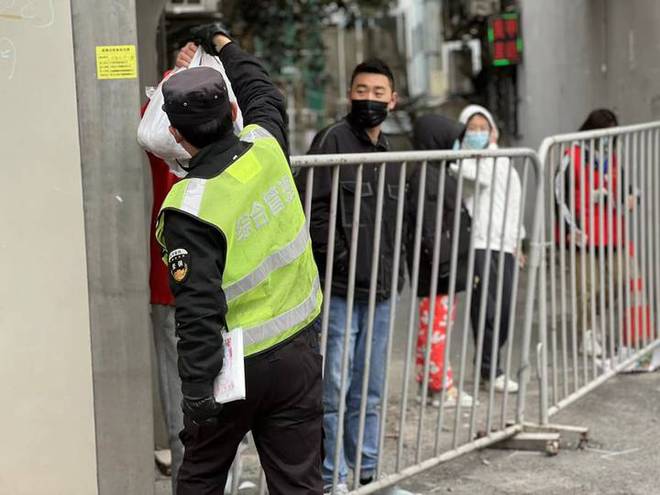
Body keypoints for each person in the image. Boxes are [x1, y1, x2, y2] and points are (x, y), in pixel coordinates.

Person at [157, 26, 323, 495]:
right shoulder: (267, 147)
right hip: (297, 352)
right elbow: (261, 91)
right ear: (232, 112)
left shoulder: (189, 205)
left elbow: (197, 311)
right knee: (299, 484)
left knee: (203, 479)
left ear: (175, 134)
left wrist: (195, 393)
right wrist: (223, 43)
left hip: (232, 370)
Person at [299, 59, 410, 495]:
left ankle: (367, 475)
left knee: (372, 388)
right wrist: (340, 261)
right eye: (362, 90)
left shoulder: (390, 149)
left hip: (381, 290)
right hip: (342, 289)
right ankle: (331, 478)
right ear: (350, 94)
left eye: (379, 92)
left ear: (393, 99)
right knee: (334, 389)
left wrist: (395, 268)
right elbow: (313, 209)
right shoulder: (331, 140)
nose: (370, 99)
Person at [450, 105, 525, 393]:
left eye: (483, 127)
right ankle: (489, 368)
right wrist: (463, 149)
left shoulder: (505, 161)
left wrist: (519, 240)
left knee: (505, 308)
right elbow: (474, 181)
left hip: (505, 244)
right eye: (472, 128)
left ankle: (490, 364)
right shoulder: (461, 162)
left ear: (493, 129)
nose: (478, 132)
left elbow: (515, 202)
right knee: (487, 309)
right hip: (480, 244)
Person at [408, 114, 475, 408]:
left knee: (433, 326)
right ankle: (440, 386)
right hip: (437, 269)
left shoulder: (437, 172)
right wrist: (444, 265)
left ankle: (429, 381)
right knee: (436, 328)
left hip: (440, 267)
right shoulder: (429, 176)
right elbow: (431, 228)